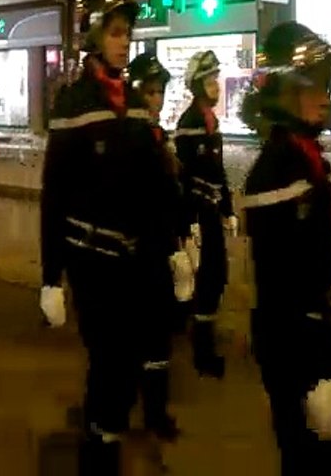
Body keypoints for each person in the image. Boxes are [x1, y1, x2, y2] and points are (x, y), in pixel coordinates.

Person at [40, 0, 180, 474]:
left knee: (127, 367)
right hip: (90, 259)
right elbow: (53, 194)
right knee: (110, 362)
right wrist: (49, 276)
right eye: (116, 31)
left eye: (128, 32)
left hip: (136, 259)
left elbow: (156, 187)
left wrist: (173, 247)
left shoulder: (138, 105)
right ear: (94, 36)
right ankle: (97, 458)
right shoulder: (74, 104)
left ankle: (108, 437)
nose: (125, 41)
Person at [241, 22, 331, 474]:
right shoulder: (276, 170)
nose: (325, 95)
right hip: (294, 343)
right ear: (285, 91)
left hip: (312, 334)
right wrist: (317, 368)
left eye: (326, 83)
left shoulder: (304, 156)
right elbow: (284, 282)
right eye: (312, 85)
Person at [127, 52, 194, 441]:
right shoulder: (133, 139)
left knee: (159, 336)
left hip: (162, 246)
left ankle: (155, 409)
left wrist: (186, 232)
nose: (157, 99)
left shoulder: (157, 136)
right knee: (145, 334)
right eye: (150, 92)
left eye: (160, 92)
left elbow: (171, 193)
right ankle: (144, 410)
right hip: (141, 252)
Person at [174, 50, 238, 378]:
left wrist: (227, 208)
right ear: (197, 85)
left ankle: (200, 340)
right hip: (198, 216)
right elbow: (184, 178)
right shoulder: (190, 125)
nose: (216, 85)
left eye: (216, 78)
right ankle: (202, 351)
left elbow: (218, 172)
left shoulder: (211, 123)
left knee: (215, 278)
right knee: (206, 281)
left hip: (211, 214)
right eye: (210, 80)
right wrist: (189, 223)